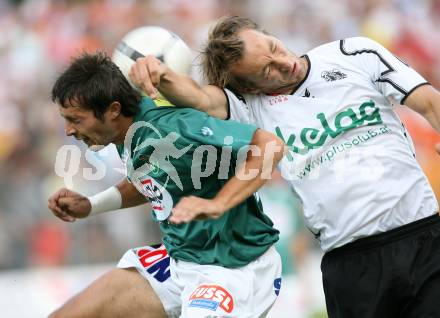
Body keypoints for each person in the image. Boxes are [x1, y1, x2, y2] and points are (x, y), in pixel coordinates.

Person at [129, 16, 440, 318]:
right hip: (351, 264)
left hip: (425, 236)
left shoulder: (353, 53)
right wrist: (161, 74)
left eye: (274, 47)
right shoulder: (249, 107)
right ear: (248, 88)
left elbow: (428, 101)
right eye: (267, 71)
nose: (284, 63)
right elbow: (198, 98)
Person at [47, 52, 286, 317]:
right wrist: (91, 205)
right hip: (179, 260)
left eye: (76, 119)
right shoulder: (126, 132)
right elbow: (152, 182)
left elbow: (270, 146)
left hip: (233, 267)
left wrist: (219, 203)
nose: (68, 130)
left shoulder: (174, 127)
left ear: (113, 110)